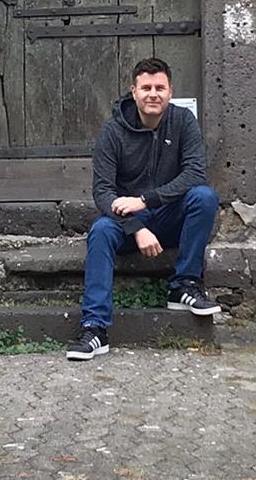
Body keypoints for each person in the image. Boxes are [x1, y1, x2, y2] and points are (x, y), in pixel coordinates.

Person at [66, 57, 220, 361]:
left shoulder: (183, 121)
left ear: (170, 91)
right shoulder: (111, 133)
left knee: (204, 196)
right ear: (133, 92)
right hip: (126, 224)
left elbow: (194, 174)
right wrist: (137, 226)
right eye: (146, 87)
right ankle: (95, 327)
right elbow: (103, 192)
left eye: (160, 87)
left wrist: (145, 200)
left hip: (168, 216)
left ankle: (184, 285)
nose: (153, 94)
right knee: (99, 231)